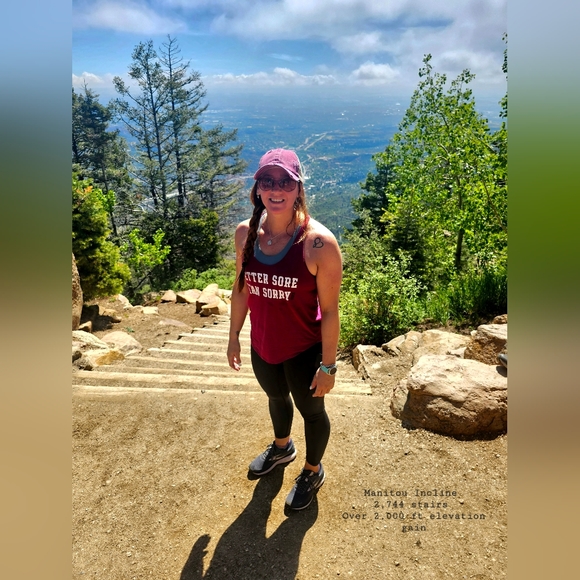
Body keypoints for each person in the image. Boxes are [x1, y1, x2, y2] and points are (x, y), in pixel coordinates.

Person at [227, 148, 343, 511]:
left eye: (285, 182)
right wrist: (233, 337)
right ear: (258, 188)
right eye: (268, 181)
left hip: (304, 350)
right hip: (262, 345)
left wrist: (328, 366)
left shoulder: (318, 244)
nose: (276, 189)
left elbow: (330, 310)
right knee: (276, 399)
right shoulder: (245, 234)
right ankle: (282, 448)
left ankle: (312, 470)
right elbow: (241, 289)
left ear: (298, 189)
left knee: (312, 412)